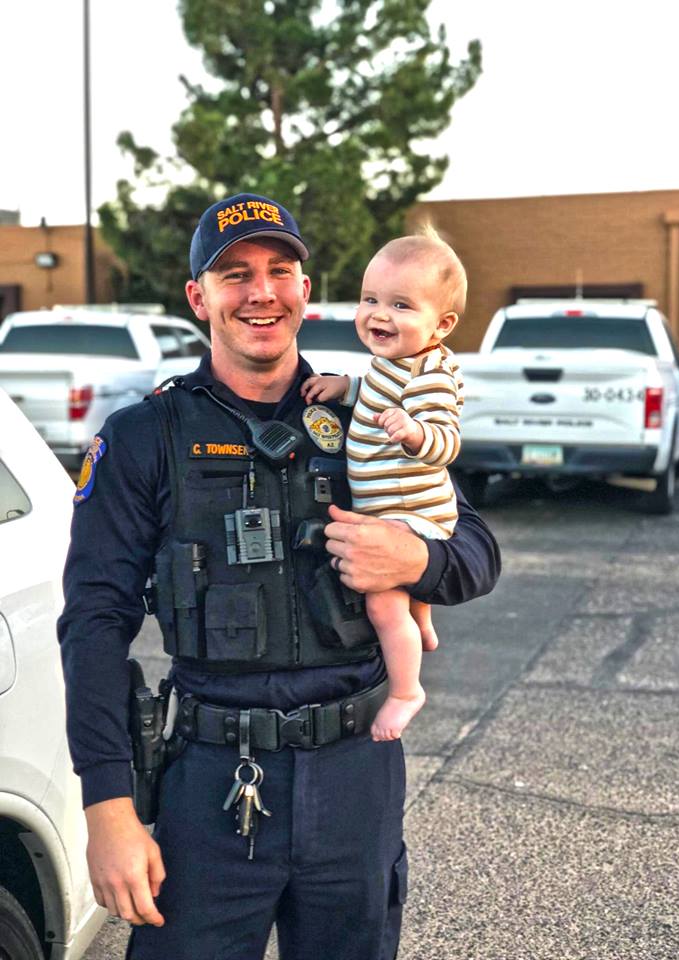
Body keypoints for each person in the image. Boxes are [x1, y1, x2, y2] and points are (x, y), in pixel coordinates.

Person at [58, 192, 501, 960]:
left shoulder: (367, 414)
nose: (261, 291)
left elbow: (478, 550)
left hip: (357, 777)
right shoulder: (144, 437)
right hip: (210, 787)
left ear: (304, 288)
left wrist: (418, 560)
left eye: (280, 270)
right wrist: (108, 806)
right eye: (234, 274)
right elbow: (94, 621)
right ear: (199, 298)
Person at [301, 228, 466, 741]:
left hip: (412, 511)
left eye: (400, 304)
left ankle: (405, 691)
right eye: (370, 299)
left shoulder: (431, 377)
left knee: (380, 600)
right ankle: (422, 624)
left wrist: (416, 433)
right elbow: (371, 391)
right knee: (404, 599)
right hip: (392, 506)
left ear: (442, 325)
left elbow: (447, 444)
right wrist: (342, 387)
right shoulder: (388, 367)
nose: (379, 314)